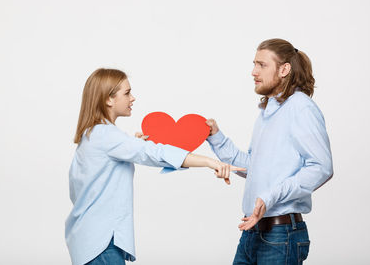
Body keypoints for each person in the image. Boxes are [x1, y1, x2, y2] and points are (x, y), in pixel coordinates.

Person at [65, 68, 244, 265]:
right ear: (109, 99)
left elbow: (79, 190)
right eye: (127, 93)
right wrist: (210, 162)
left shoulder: (92, 135)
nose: (132, 98)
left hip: (87, 241)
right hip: (101, 245)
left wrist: (132, 146)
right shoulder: (107, 136)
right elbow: (156, 154)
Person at [205, 38, 333, 264]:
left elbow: (321, 167)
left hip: (281, 236)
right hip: (252, 232)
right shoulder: (268, 110)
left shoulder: (301, 108)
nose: (253, 72)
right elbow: (253, 167)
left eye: (262, 65)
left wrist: (270, 197)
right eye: (254, 64)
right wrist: (216, 137)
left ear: (284, 69)